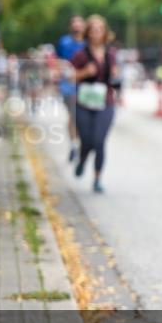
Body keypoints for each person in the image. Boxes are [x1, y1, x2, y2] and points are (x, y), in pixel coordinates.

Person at [70, 14, 120, 194]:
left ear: (105, 32)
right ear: (88, 33)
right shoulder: (81, 54)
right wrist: (85, 72)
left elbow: (115, 76)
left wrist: (116, 76)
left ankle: (97, 179)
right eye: (93, 30)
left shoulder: (110, 54)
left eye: (100, 29)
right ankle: (82, 160)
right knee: (87, 140)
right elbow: (71, 76)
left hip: (105, 102)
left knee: (99, 141)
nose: (97, 33)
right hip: (84, 103)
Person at [57, 16, 87, 161]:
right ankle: (74, 146)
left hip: (85, 85)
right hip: (68, 85)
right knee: (73, 117)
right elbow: (58, 62)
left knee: (84, 118)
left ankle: (82, 143)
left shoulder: (88, 43)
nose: (77, 25)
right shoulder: (64, 42)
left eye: (79, 22)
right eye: (74, 22)